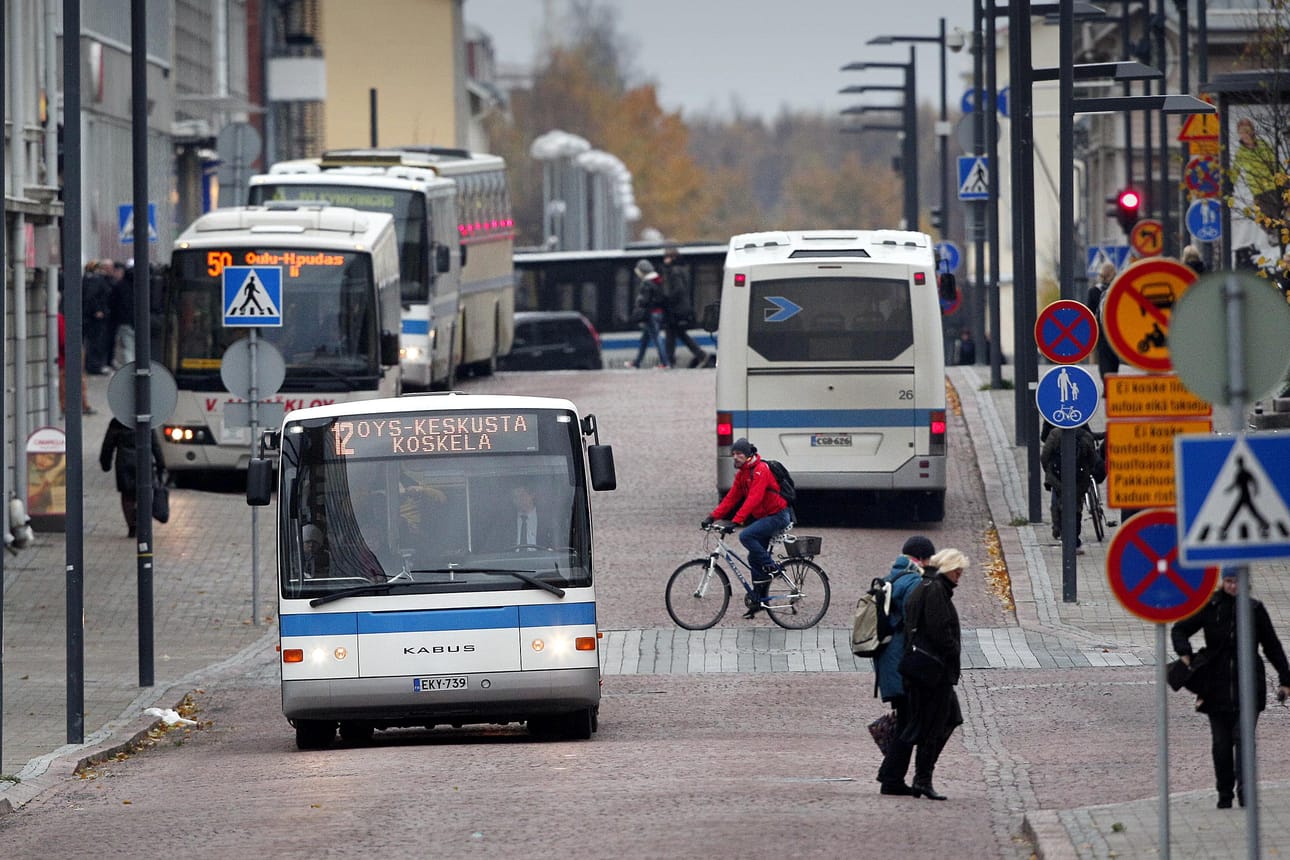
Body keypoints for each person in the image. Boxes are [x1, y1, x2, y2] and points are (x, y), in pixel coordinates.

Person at [1172, 569, 1290, 809]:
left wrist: (1285, 679)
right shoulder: (1211, 607)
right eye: (1228, 581)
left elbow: (1271, 645)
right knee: (1221, 744)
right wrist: (1184, 653)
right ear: (1222, 582)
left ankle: (1246, 793)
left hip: (1250, 684)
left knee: (1243, 738)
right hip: (1215, 685)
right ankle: (1224, 794)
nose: (1233, 586)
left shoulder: (1254, 609)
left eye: (1237, 581)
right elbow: (1180, 628)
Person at [898, 547, 969, 801]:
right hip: (933, 671)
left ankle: (921, 777)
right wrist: (952, 651)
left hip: (927, 670)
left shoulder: (927, 586)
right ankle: (922, 778)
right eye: (958, 570)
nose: (960, 575)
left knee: (947, 718)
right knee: (935, 723)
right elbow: (939, 631)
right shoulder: (936, 590)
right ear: (948, 569)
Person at [874, 535, 937, 796]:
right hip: (902, 665)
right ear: (922, 558)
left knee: (907, 720)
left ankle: (892, 777)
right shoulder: (912, 581)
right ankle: (890, 778)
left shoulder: (893, 577)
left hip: (890, 664)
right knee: (911, 722)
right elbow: (920, 619)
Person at [702, 437, 792, 618]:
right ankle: (759, 600)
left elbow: (754, 499)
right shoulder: (743, 474)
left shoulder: (760, 470)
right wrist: (712, 517)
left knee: (746, 536)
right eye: (733, 454)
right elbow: (731, 498)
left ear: (749, 454)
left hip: (778, 516)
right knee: (753, 558)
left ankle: (773, 567)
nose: (735, 457)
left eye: (739, 454)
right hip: (765, 517)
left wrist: (736, 521)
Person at [1040, 425, 1103, 551]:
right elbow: (1093, 459)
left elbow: (1045, 456)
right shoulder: (1085, 436)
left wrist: (1049, 471)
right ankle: (1074, 539)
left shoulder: (1055, 434)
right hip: (1079, 479)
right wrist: (1088, 470)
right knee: (1076, 508)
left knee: (1060, 503)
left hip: (1058, 477)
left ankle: (1062, 531)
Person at [98, 418, 165, 537]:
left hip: (124, 462)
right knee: (145, 493)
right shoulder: (145, 418)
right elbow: (155, 444)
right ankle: (142, 522)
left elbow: (108, 444)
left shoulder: (118, 421)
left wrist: (105, 463)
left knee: (127, 496)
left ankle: (132, 526)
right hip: (144, 462)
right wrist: (161, 464)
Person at [660, 246, 709, 368]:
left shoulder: (674, 271)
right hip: (682, 307)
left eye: (667, 257)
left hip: (676, 308)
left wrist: (668, 299)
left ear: (673, 258)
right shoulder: (682, 269)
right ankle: (699, 354)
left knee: (671, 334)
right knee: (677, 334)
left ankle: (669, 361)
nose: (665, 260)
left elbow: (678, 289)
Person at [1233, 117, 1282, 225]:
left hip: (1272, 186)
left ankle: (1279, 236)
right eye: (1241, 132)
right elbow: (1235, 171)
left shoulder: (1263, 145)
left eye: (1247, 131)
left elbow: (1275, 162)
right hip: (1257, 190)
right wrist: (1230, 183)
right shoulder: (1241, 153)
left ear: (1252, 131)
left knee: (1277, 216)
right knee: (1262, 218)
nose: (1244, 135)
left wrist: (1283, 178)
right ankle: (1273, 237)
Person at [629, 260, 670, 369]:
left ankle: (665, 363)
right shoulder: (658, 281)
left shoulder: (647, 283)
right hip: (658, 313)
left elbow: (644, 300)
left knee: (657, 338)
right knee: (645, 339)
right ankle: (637, 362)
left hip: (650, 314)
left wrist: (638, 304)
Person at [1086, 261, 1121, 385]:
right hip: (1116, 329)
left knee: (1103, 358)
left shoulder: (1094, 291)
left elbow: (1089, 312)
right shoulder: (1118, 289)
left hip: (1101, 330)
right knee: (1114, 357)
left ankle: (1107, 383)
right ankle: (1112, 381)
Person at [506, 483, 555, 548]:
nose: (519, 500)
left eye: (522, 495)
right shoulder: (506, 523)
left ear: (532, 495)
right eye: (515, 497)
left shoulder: (548, 520)